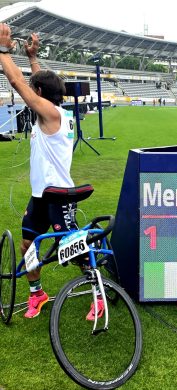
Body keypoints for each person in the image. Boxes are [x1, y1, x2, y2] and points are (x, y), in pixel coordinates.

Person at [0, 24, 89, 319]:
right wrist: (32, 58)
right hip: (41, 195)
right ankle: (37, 293)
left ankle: (99, 293)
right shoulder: (53, 110)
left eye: (35, 87)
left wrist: (3, 51)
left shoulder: (50, 114)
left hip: (58, 194)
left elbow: (17, 82)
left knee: (72, 248)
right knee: (28, 245)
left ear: (39, 93)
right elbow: (39, 84)